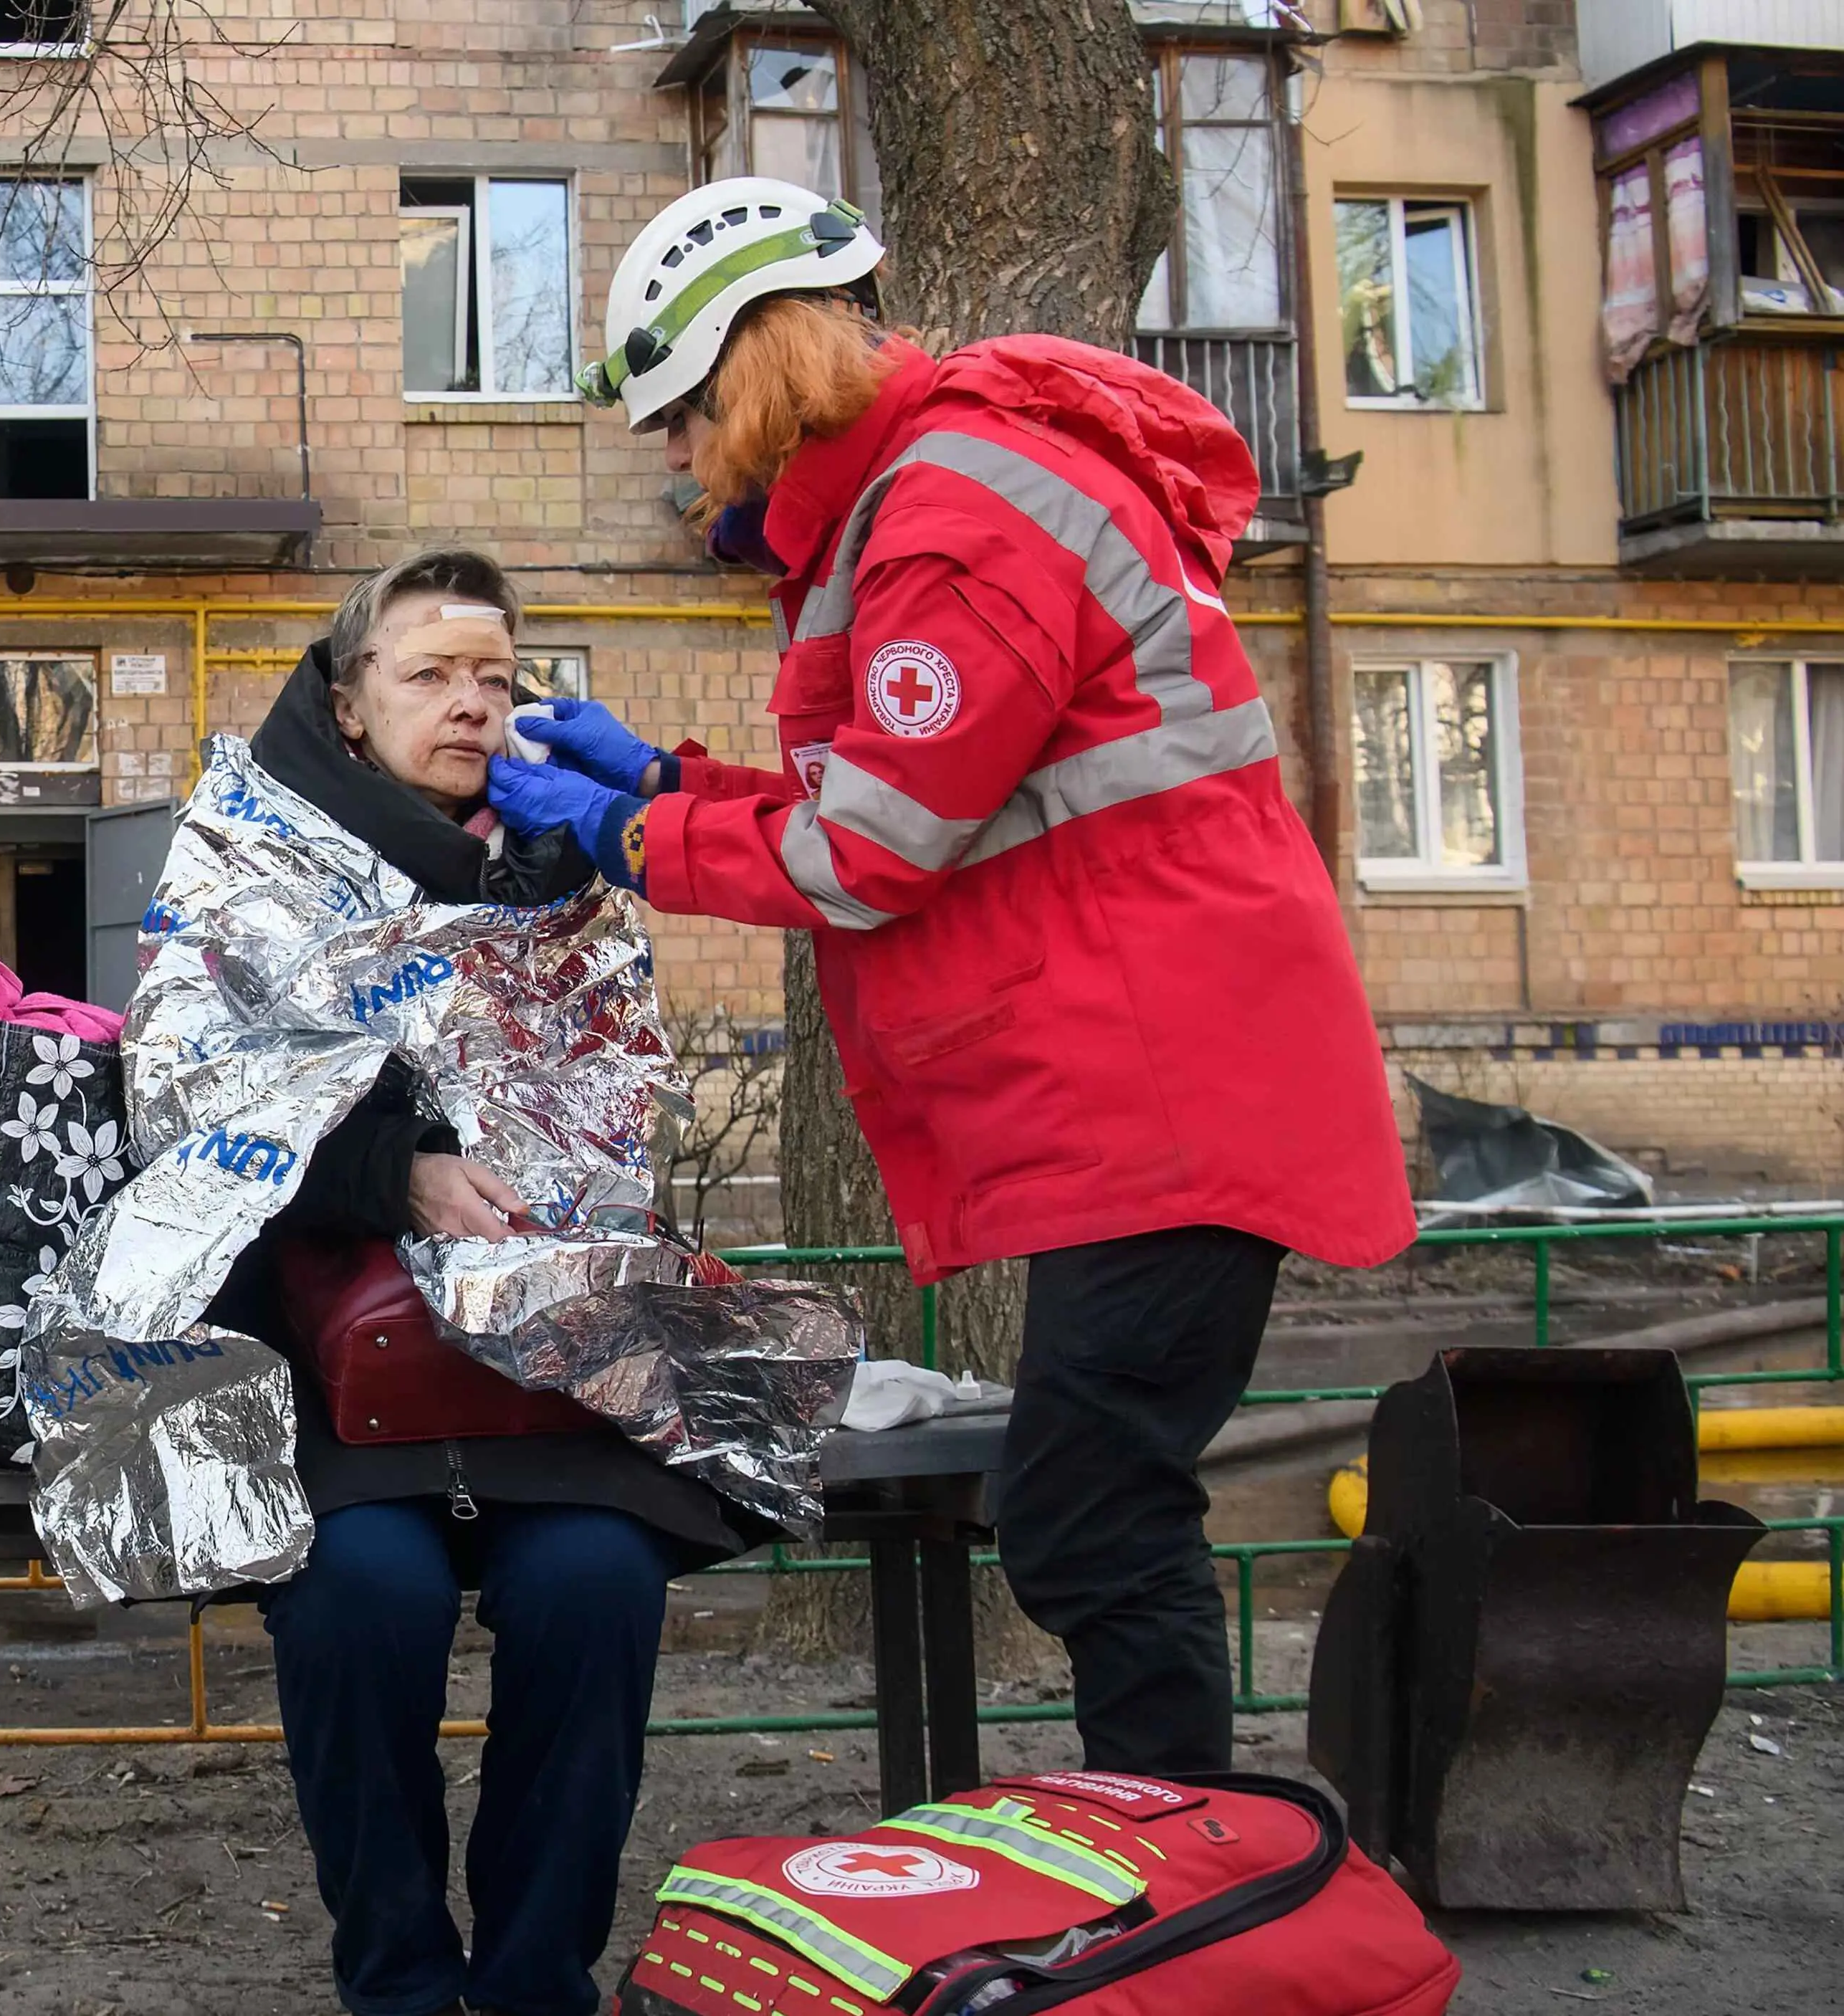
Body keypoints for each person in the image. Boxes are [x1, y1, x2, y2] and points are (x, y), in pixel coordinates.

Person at [489, 177, 1414, 1777]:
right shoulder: (925, 501)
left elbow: (868, 856)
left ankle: (1187, 1872)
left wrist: (629, 836)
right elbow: (901, 800)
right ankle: (1175, 1858)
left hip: (1169, 1095)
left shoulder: (953, 521)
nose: (676, 462)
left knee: (1090, 1505)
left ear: (748, 377)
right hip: (1154, 1079)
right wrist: (666, 783)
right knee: (1095, 1496)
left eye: (678, 421)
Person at [207, 549, 768, 2016]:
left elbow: (619, 1114)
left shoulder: (569, 873)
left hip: (548, 1372)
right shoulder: (248, 854)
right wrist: (388, 1165)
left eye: (496, 678)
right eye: (429, 672)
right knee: (358, 1601)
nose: (470, 702)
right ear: (347, 700)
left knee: (594, 1590)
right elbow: (187, 1091)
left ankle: (535, 1983)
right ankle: (396, 1980)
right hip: (337, 1376)